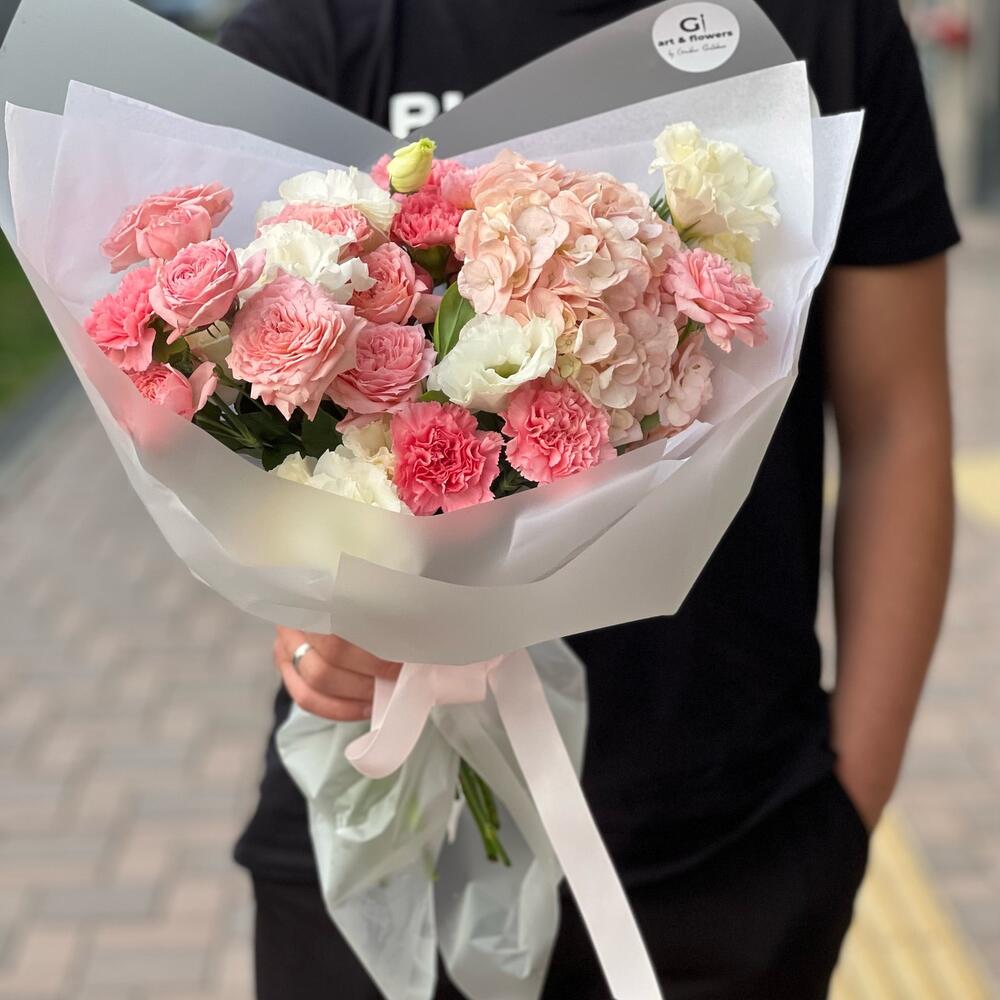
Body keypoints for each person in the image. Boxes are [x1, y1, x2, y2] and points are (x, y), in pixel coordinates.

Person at [219, 2, 959, 997]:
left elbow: (897, 426)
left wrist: (843, 816)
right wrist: (305, 609)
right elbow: (240, 395)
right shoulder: (314, 26)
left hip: (727, 847)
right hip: (381, 838)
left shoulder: (820, 20)